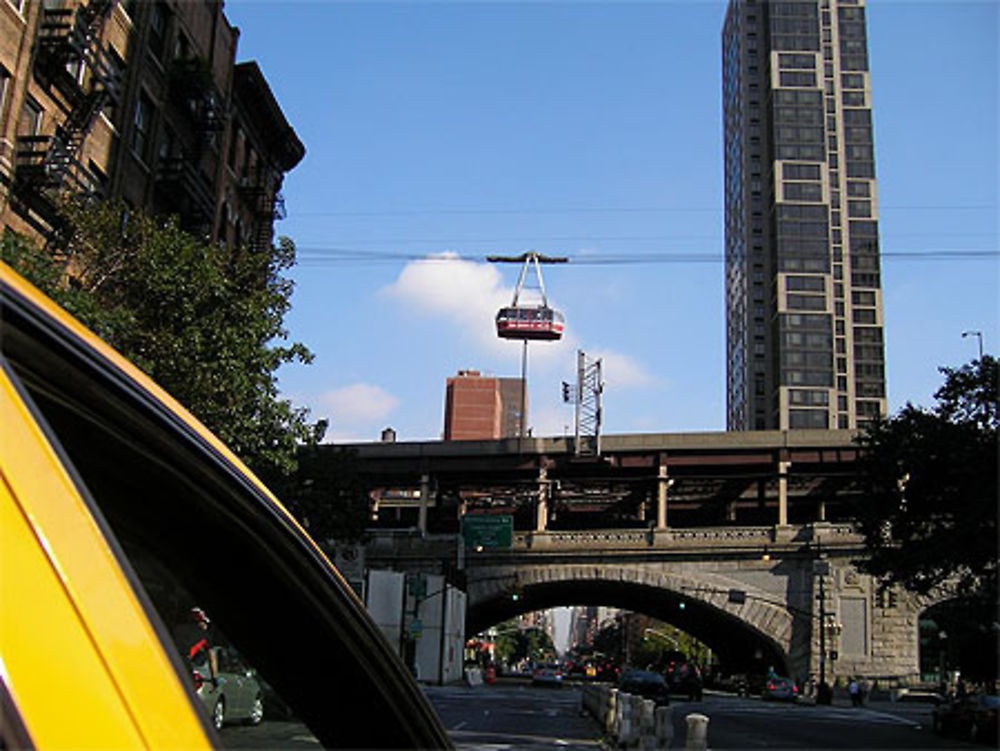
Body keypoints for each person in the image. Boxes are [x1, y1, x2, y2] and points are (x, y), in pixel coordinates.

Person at [173, 606, 219, 685]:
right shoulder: (205, 637)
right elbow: (212, 659)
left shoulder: (178, 627)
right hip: (183, 662)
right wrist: (214, 678)